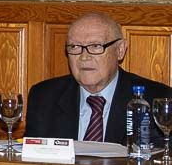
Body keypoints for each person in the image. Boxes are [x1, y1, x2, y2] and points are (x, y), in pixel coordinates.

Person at [26, 12, 172, 144]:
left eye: (95, 46)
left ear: (120, 50)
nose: (84, 57)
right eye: (74, 47)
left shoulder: (157, 99)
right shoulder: (44, 97)